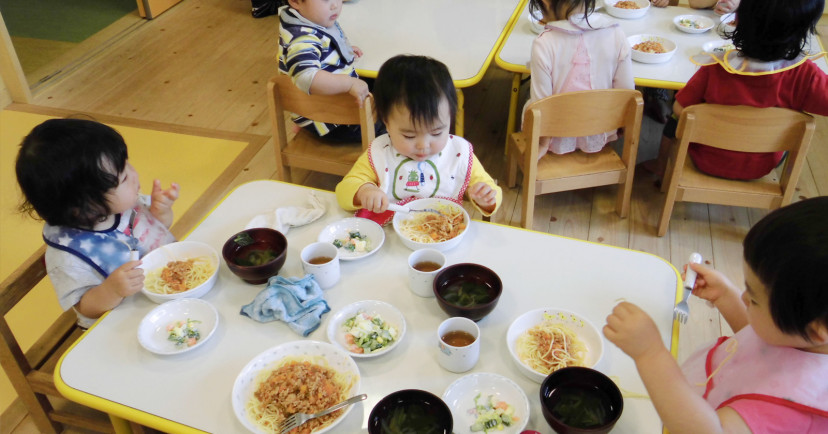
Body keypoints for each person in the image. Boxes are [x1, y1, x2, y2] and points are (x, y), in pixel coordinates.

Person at [604, 196, 828, 433]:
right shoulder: (804, 337)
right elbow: (760, 340)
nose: (744, 297)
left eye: (753, 299)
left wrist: (650, 354)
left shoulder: (792, 410)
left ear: (814, 331)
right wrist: (726, 296)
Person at [15, 119, 180, 328]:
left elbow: (154, 233)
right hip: (122, 325)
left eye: (127, 164)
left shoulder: (123, 206)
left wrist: (160, 212)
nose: (134, 174)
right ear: (84, 206)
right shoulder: (68, 256)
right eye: (123, 178)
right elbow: (85, 308)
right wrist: (112, 290)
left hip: (166, 293)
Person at [651, 0, 828, 180]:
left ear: (738, 19)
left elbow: (680, 109)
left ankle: (660, 167)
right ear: (805, 29)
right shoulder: (807, 75)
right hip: (762, 165)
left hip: (705, 159)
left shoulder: (716, 67)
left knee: (675, 118)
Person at [335, 55, 502, 222]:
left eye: (436, 133)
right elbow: (343, 191)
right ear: (386, 123)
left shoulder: (458, 153)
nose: (423, 145)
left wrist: (485, 198)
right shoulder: (381, 152)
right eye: (409, 135)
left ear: (450, 119)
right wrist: (365, 191)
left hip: (443, 231)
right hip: (390, 232)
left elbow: (493, 190)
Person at [524, 0, 634, 157]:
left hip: (555, 140)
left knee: (528, 105)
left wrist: (542, 143)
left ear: (545, 3)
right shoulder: (616, 33)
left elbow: (540, 107)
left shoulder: (543, 43)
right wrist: (620, 126)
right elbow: (627, 93)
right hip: (601, 132)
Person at [278, 0, 371, 142]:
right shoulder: (302, 39)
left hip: (316, 110)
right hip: (333, 122)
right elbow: (306, 77)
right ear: (296, 2)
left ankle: (306, 123)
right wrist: (349, 83)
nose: (335, 5)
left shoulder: (308, 19)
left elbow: (319, 49)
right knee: (393, 120)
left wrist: (341, 49)